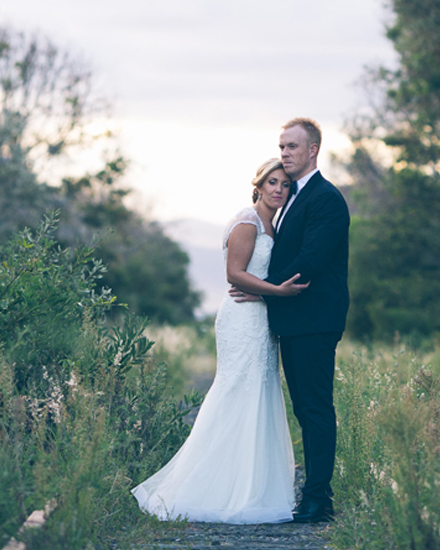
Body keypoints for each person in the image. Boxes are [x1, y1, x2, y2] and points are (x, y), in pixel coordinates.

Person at [131, 159, 308, 524]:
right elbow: (235, 274)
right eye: (272, 183)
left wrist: (268, 296)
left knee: (258, 392)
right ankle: (211, 487)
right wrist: (276, 291)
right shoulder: (247, 221)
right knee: (237, 390)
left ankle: (251, 485)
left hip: (260, 316)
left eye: (286, 185)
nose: (279, 189)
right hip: (241, 319)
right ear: (257, 185)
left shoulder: (272, 225)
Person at [231, 117, 350, 524]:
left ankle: (319, 500)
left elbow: (311, 261)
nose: (285, 153)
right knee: (304, 409)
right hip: (294, 320)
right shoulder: (291, 198)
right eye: (281, 146)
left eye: (292, 147)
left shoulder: (326, 198)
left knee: (315, 409)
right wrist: (266, 291)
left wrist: (262, 286)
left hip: (315, 320)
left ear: (313, 149)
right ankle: (312, 494)